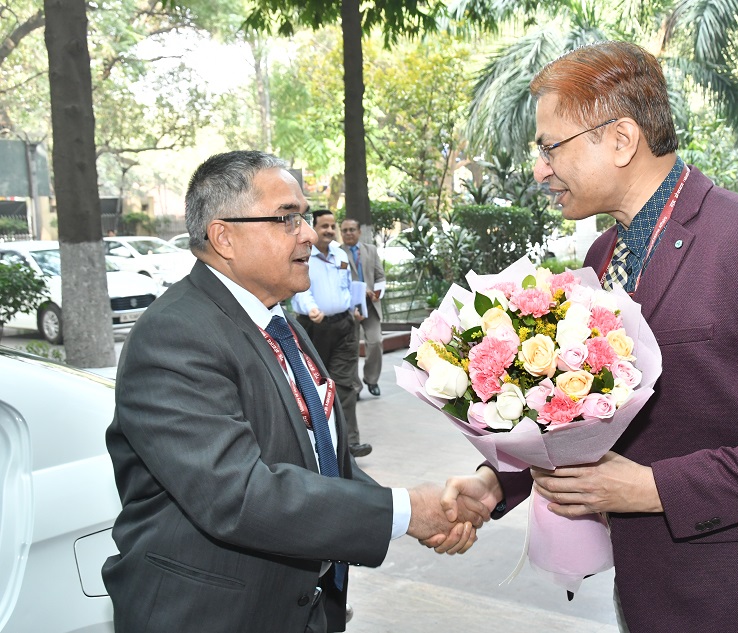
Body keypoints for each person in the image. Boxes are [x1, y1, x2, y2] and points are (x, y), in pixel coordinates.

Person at [438, 41, 738, 632]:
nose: (540, 170)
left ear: (622, 139)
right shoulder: (603, 254)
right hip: (647, 589)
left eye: (550, 147)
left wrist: (655, 488)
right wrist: (497, 482)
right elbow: (592, 414)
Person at [102, 151, 478, 633]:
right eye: (287, 218)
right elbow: (238, 495)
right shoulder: (174, 336)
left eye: (303, 216)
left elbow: (321, 463)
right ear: (224, 237)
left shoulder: (278, 321)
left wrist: (419, 509)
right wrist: (403, 511)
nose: (308, 234)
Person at [292, 210, 371, 458]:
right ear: (313, 227)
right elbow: (299, 288)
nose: (329, 230)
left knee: (345, 384)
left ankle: (349, 443)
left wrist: (355, 307)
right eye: (323, 226)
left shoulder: (340, 254)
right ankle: (321, 444)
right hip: (313, 328)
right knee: (315, 386)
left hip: (344, 327)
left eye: (331, 226)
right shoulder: (301, 253)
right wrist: (311, 308)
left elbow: (346, 286)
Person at [340, 218, 385, 397]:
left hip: (371, 306)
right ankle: (355, 387)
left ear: (359, 232)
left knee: (376, 342)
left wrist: (378, 292)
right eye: (345, 230)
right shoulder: (337, 253)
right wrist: (358, 289)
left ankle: (371, 379)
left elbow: (380, 276)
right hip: (349, 307)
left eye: (352, 229)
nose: (348, 233)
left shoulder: (371, 250)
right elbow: (338, 280)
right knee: (350, 348)